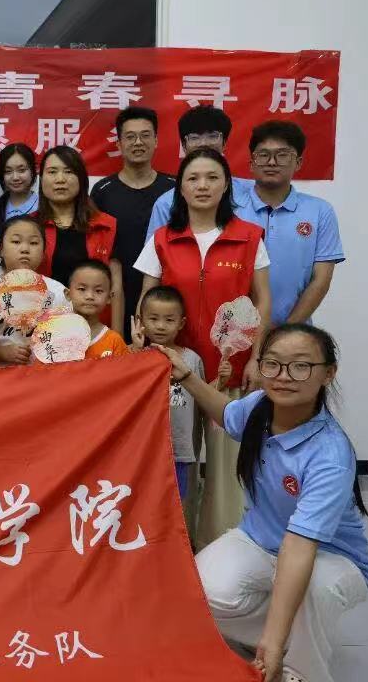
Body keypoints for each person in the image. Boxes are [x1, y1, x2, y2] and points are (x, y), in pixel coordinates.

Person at [157, 324, 368, 682]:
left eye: (300, 366)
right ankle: (293, 634)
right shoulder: (260, 405)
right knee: (200, 591)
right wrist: (187, 377)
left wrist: (270, 643)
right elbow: (228, 414)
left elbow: (300, 546)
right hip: (259, 540)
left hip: (329, 556)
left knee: (313, 589)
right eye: (272, 363)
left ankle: (300, 668)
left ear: (328, 373)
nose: (283, 376)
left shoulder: (329, 455)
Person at [136, 147, 272, 546]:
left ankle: (220, 546)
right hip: (172, 370)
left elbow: (263, 300)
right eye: (193, 178)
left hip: (229, 370)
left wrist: (256, 357)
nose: (202, 186)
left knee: (226, 467)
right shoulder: (163, 239)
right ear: (180, 187)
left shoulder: (249, 236)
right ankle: (175, 545)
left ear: (226, 184)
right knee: (174, 460)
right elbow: (146, 299)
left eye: (212, 177)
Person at [241, 121, 344, 325]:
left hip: (294, 332)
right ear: (251, 163)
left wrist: (286, 332)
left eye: (282, 155)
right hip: (234, 333)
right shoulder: (231, 209)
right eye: (263, 154)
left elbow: (321, 280)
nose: (272, 162)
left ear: (298, 162)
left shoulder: (320, 211)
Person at [92, 107, 176, 334]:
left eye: (145, 135)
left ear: (156, 140)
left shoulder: (174, 189)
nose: (138, 142)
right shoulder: (102, 191)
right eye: (130, 137)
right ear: (119, 144)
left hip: (166, 295)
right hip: (115, 293)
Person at [31, 145, 123, 335]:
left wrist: (117, 338)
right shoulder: (29, 227)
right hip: (43, 331)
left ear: (81, 179)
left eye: (68, 171)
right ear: (41, 180)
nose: (60, 179)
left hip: (95, 330)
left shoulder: (107, 225)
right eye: (52, 172)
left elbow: (116, 288)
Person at [130, 285, 206, 501]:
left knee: (174, 504)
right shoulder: (132, 355)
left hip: (177, 449)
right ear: (141, 321)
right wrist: (136, 350)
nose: (161, 326)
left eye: (169, 320)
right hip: (141, 448)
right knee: (141, 501)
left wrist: (222, 379)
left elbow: (204, 397)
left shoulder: (191, 359)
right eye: (153, 319)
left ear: (181, 323)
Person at [146, 105, 256, 238]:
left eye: (212, 136)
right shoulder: (166, 204)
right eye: (195, 137)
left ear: (224, 143)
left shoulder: (252, 193)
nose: (204, 143)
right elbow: (157, 247)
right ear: (183, 145)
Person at [0, 215, 70, 367]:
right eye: (16, 242)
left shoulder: (57, 291)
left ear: (44, 252)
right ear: (0, 249)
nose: (25, 249)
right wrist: (0, 351)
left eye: (33, 243)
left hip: (44, 375)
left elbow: (67, 339)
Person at [67, 259, 128, 360]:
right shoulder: (53, 333)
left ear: (109, 298)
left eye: (98, 291)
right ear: (68, 294)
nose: (90, 296)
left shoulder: (114, 341)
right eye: (82, 289)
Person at [0, 143, 40, 226]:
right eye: (8, 171)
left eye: (21, 170)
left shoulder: (44, 207)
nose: (15, 177)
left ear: (33, 171)